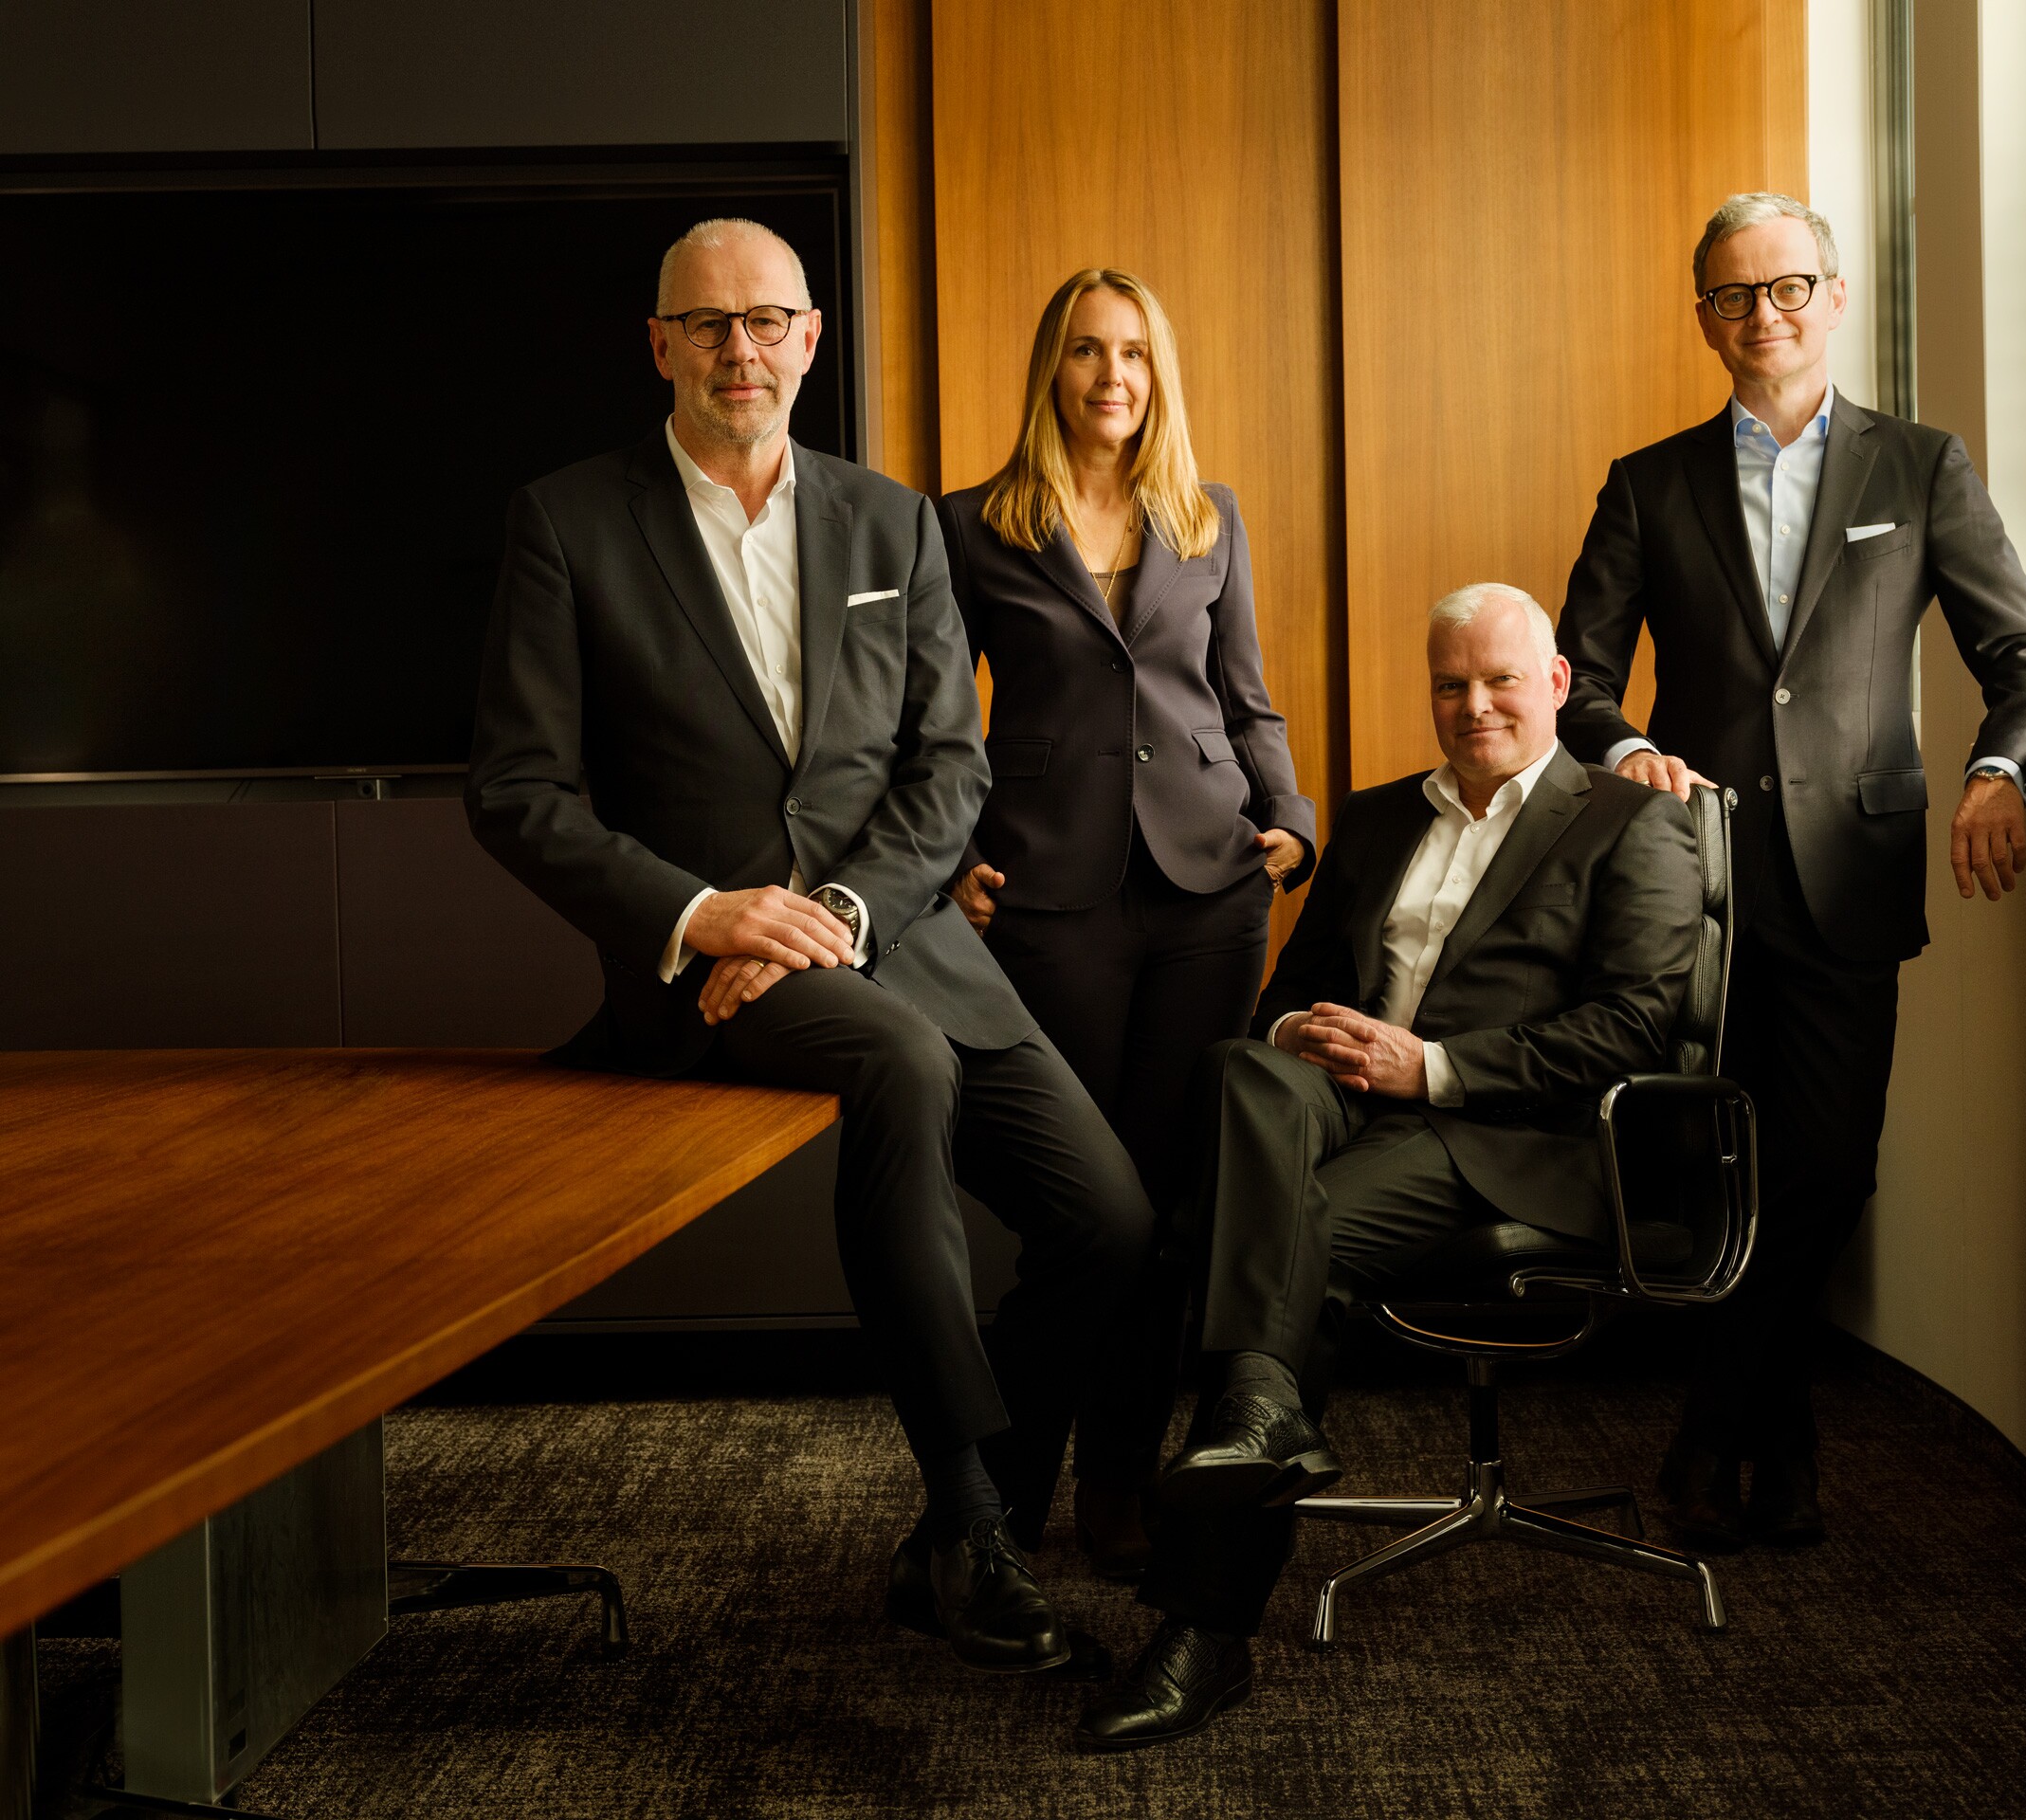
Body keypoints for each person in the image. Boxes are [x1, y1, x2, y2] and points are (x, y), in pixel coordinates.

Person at [465, 217, 1155, 1677]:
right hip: (705, 973)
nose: (743, 350)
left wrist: (839, 916)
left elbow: (948, 766)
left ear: (812, 339)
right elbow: (518, 793)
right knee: (901, 1064)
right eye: (711, 325)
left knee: (1110, 1220)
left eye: (769, 321)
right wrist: (704, 913)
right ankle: (971, 1526)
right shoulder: (568, 522)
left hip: (898, 940)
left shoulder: (890, 521)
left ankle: (960, 1526)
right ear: (660, 345)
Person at [1072, 584, 1706, 1750]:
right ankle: (1260, 1413)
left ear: (1556, 684)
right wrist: (1295, 1032)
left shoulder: (1629, 822)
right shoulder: (1373, 821)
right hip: (1343, 1108)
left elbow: (1634, 1028)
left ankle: (1203, 1629)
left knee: (1275, 1239)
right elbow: (1288, 997)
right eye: (1450, 685)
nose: (1475, 706)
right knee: (1242, 1067)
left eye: (1501, 680)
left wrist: (1433, 1068)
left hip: (1509, 1137)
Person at [1553, 192, 2026, 1552]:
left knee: (1831, 1171)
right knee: (1716, 1168)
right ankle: (1776, 1453)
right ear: (1704, 319)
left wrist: (1999, 767)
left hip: (1853, 874)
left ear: (1835, 297)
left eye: (1788, 287)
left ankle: (1709, 1429)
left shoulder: (1920, 465)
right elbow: (1577, 682)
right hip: (1697, 883)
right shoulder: (1648, 483)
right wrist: (1630, 752)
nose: (1763, 314)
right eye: (1734, 295)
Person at [939, 268, 1317, 1580]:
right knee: (1081, 1211)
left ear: (1161, 375)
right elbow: (932, 720)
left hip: (1210, 892)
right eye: (1089, 351)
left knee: (1165, 1207)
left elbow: (1245, 696)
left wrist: (1292, 818)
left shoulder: (1207, 517)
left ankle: (1116, 1486)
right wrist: (951, 861)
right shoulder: (972, 524)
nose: (1114, 376)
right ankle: (1001, 1494)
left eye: (1137, 354)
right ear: (1052, 369)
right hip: (1049, 896)